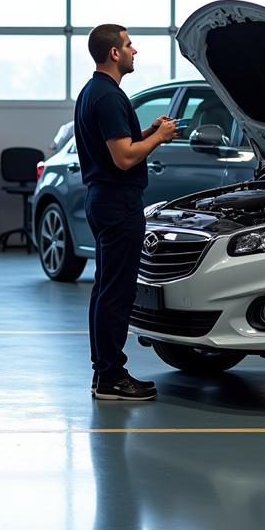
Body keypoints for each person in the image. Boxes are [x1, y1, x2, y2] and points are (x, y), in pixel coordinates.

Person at [74, 24, 177, 402]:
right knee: (116, 293)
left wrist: (148, 129)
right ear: (114, 53)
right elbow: (124, 157)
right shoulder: (109, 96)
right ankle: (112, 378)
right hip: (118, 202)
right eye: (129, 45)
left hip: (103, 199)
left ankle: (104, 373)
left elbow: (120, 145)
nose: (135, 51)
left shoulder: (92, 92)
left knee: (104, 289)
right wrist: (159, 138)